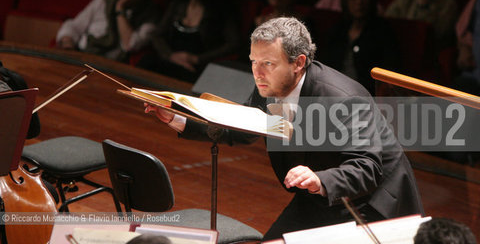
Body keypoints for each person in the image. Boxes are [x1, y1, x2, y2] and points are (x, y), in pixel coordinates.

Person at [145, 17, 424, 240]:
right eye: (254, 62)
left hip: (369, 202)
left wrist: (320, 180)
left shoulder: (342, 98)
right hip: (317, 193)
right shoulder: (269, 86)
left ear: (299, 63)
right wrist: (178, 119)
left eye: (268, 64)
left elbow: (367, 167)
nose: (257, 73)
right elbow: (242, 126)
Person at [139, 0, 239, 82]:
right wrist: (170, 55)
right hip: (171, 61)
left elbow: (233, 43)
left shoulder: (220, 8)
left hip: (196, 68)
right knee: (147, 61)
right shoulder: (177, 5)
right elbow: (157, 35)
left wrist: (197, 59)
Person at [322, 0, 400, 94]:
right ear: (346, 1)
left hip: (366, 94)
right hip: (333, 92)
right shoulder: (338, 29)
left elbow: (390, 68)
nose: (359, 2)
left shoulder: (382, 31)